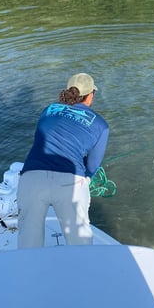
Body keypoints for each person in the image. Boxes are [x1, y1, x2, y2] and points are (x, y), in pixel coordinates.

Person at [17, 73, 109, 248]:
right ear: (91, 95)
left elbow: (42, 138)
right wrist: (86, 176)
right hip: (71, 183)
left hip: (31, 178)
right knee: (80, 246)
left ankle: (27, 273)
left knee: (28, 245)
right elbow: (92, 165)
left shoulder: (49, 110)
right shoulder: (101, 125)